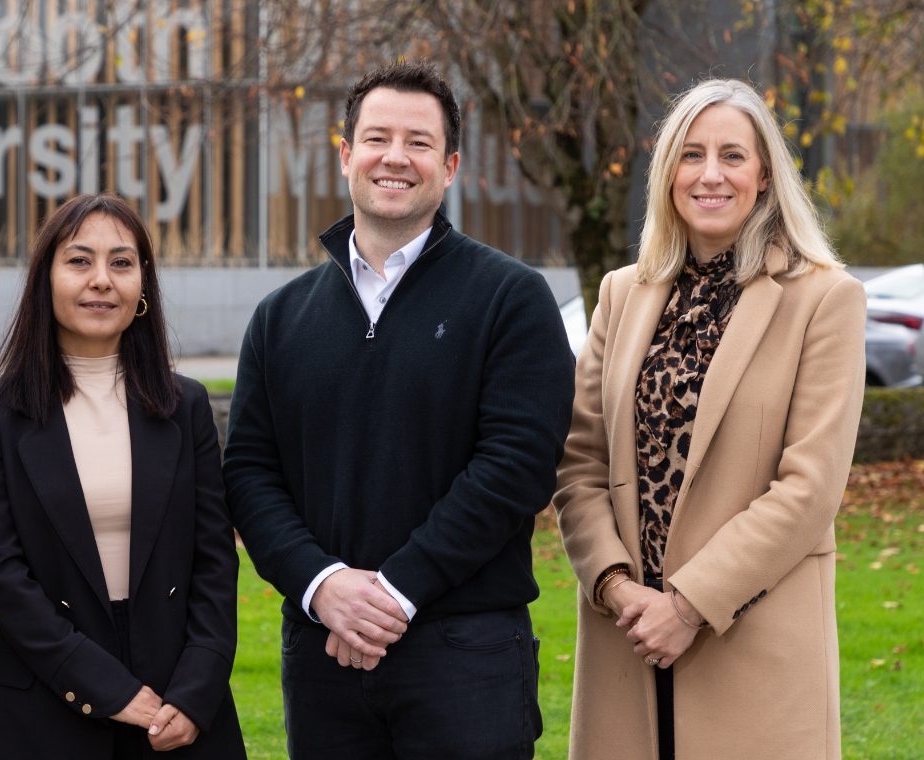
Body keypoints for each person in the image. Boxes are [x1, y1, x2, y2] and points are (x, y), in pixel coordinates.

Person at [223, 61, 575, 759]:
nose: (395, 157)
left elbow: (515, 469)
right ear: (347, 155)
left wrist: (392, 594)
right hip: (322, 654)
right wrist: (323, 588)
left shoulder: (511, 299)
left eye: (418, 143)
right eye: (377, 138)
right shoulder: (280, 317)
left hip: (465, 654)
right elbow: (249, 474)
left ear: (449, 167)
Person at [553, 78, 865, 760]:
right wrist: (615, 586)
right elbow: (579, 466)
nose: (710, 174)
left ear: (763, 174)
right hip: (625, 641)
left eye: (731, 155)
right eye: (691, 155)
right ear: (668, 175)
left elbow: (810, 488)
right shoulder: (619, 294)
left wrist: (687, 605)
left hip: (750, 646)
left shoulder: (823, 299)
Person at [0, 193, 246, 759]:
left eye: (121, 262)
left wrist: (197, 691)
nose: (101, 280)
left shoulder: (183, 405)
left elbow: (214, 559)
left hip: (176, 707)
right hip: (43, 702)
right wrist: (109, 690)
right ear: (45, 279)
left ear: (143, 286)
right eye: (78, 261)